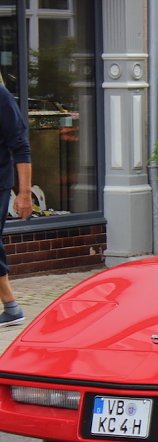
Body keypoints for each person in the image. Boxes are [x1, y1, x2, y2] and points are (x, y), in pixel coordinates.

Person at [0, 84, 33, 327]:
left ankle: (11, 306)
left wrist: (25, 193)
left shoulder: (1, 97)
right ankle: (11, 308)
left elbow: (21, 146)